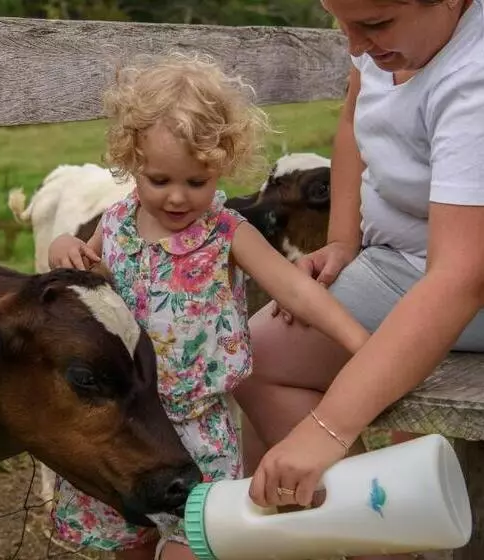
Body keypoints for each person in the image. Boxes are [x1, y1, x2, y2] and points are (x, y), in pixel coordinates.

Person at [46, 52, 372, 560]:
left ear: (221, 165)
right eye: (160, 181)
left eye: (196, 182)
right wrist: (61, 244)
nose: (177, 198)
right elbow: (82, 278)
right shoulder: (114, 228)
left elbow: (295, 289)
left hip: (199, 430)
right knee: (129, 544)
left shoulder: (226, 233)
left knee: (195, 545)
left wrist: (361, 344)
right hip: (128, 427)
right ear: (132, 161)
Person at [233, 0, 484, 558]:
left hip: (461, 279)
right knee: (245, 356)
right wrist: (343, 240)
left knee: (270, 369)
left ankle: (380, 533)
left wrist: (326, 430)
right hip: (406, 262)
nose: (352, 45)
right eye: (339, 22)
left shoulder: (474, 79)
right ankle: (382, 532)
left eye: (372, 24)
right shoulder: (386, 42)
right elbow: (353, 123)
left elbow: (461, 277)